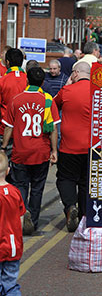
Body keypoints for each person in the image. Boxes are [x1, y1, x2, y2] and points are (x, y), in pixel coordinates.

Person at [54, 62, 102, 232]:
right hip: (96, 147)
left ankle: (69, 206)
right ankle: (83, 216)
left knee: (66, 179)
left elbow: (54, 105)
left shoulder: (66, 91)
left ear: (75, 73)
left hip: (69, 147)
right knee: (87, 182)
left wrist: (67, 85)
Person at [1, 67, 59, 234]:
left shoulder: (16, 99)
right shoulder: (48, 100)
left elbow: (8, 128)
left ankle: (20, 216)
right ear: (42, 82)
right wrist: (54, 150)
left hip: (20, 152)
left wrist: (4, 147)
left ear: (27, 81)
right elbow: (53, 129)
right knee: (37, 188)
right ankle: (32, 220)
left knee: (20, 186)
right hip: (41, 152)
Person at [0, 152, 26, 296]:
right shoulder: (15, 192)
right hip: (13, 245)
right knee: (10, 284)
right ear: (8, 170)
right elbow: (20, 219)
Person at [0, 48, 27, 151]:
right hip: (25, 130)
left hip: (4, 129)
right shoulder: (29, 79)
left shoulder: (2, 81)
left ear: (7, 62)